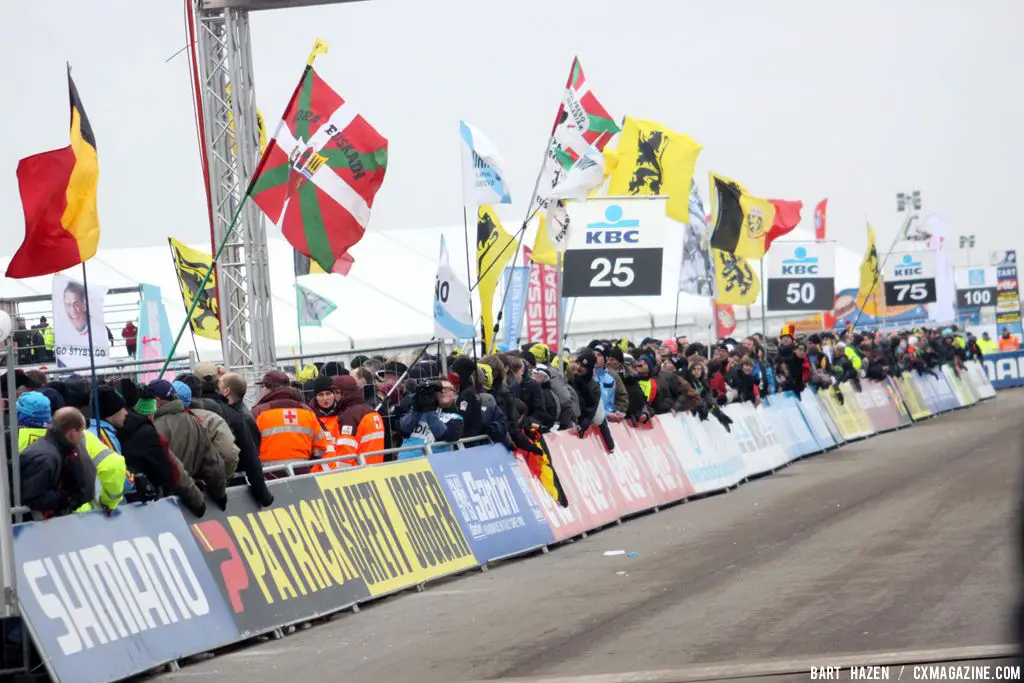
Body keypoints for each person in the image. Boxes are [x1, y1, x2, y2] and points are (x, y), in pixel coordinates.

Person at [116, 396, 207, 517]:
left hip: (120, 510)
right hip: (155, 502)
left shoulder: (107, 431)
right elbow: (174, 470)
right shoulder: (150, 433)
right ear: (151, 414)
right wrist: (199, 502)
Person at [149, 379, 227, 509]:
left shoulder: (154, 428)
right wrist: (219, 495)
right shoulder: (196, 422)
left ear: (156, 402)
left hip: (163, 504)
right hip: (190, 499)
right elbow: (214, 464)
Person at [199, 371, 272, 507]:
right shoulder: (240, 414)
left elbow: (249, 455)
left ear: (226, 391)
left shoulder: (241, 417)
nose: (215, 387)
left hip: (234, 483)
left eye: (219, 384)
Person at [19, 407, 98, 519]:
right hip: (39, 525)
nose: (82, 437)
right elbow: (33, 497)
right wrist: (66, 496)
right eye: (81, 431)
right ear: (72, 432)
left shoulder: (62, 447)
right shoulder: (46, 459)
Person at [250, 370, 329, 469]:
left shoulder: (259, 411)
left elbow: (249, 445)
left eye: (263, 387)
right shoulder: (307, 410)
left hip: (269, 474)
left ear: (268, 388)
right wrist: (308, 464)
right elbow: (320, 445)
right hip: (302, 470)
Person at [173, 381, 240, 480]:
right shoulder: (211, 418)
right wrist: (221, 480)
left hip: (170, 488)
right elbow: (229, 454)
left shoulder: (156, 421)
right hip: (205, 484)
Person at [398, 378, 463, 459]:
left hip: (433, 464)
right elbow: (403, 429)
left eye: (448, 389)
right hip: (405, 460)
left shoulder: (455, 417)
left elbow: (448, 436)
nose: (443, 391)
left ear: (454, 395)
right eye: (440, 389)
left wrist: (430, 410)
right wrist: (417, 407)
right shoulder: (419, 411)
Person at [334, 374, 387, 465]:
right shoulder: (372, 412)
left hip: (358, 472)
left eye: (336, 393)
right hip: (375, 468)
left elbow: (346, 452)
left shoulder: (349, 416)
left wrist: (341, 475)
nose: (334, 397)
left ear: (342, 393)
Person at [448, 356, 484, 439]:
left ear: (462, 373)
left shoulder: (467, 394)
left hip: (468, 440)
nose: (451, 373)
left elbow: (461, 418)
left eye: (454, 371)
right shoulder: (469, 390)